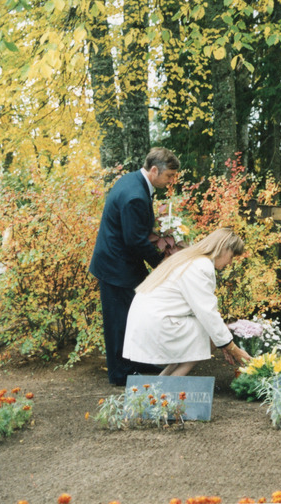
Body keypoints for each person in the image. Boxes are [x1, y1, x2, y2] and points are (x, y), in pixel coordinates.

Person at [89, 147, 180, 386]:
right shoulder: (135, 196)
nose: (171, 181)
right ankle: (120, 374)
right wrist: (161, 263)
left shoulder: (133, 181)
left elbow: (137, 231)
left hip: (123, 261)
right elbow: (135, 240)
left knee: (133, 316)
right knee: (119, 320)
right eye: (169, 176)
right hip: (115, 266)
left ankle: (134, 361)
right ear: (153, 170)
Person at [122, 228, 251, 376]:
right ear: (223, 248)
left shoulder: (189, 258)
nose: (230, 262)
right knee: (212, 334)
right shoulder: (201, 266)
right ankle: (169, 385)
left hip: (149, 322)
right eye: (232, 256)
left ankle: (161, 381)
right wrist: (233, 349)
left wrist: (225, 342)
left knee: (218, 333)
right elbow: (207, 313)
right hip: (158, 325)